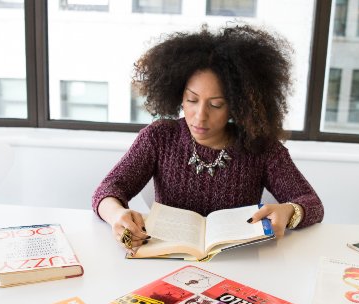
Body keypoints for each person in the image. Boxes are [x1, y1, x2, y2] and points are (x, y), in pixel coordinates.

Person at [91, 23, 324, 256]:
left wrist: (289, 211)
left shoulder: (261, 147)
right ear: (178, 95)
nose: (200, 116)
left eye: (216, 105)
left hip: (239, 262)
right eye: (192, 100)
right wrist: (116, 215)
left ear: (237, 106)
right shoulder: (159, 137)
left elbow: (312, 204)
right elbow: (107, 189)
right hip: (168, 258)